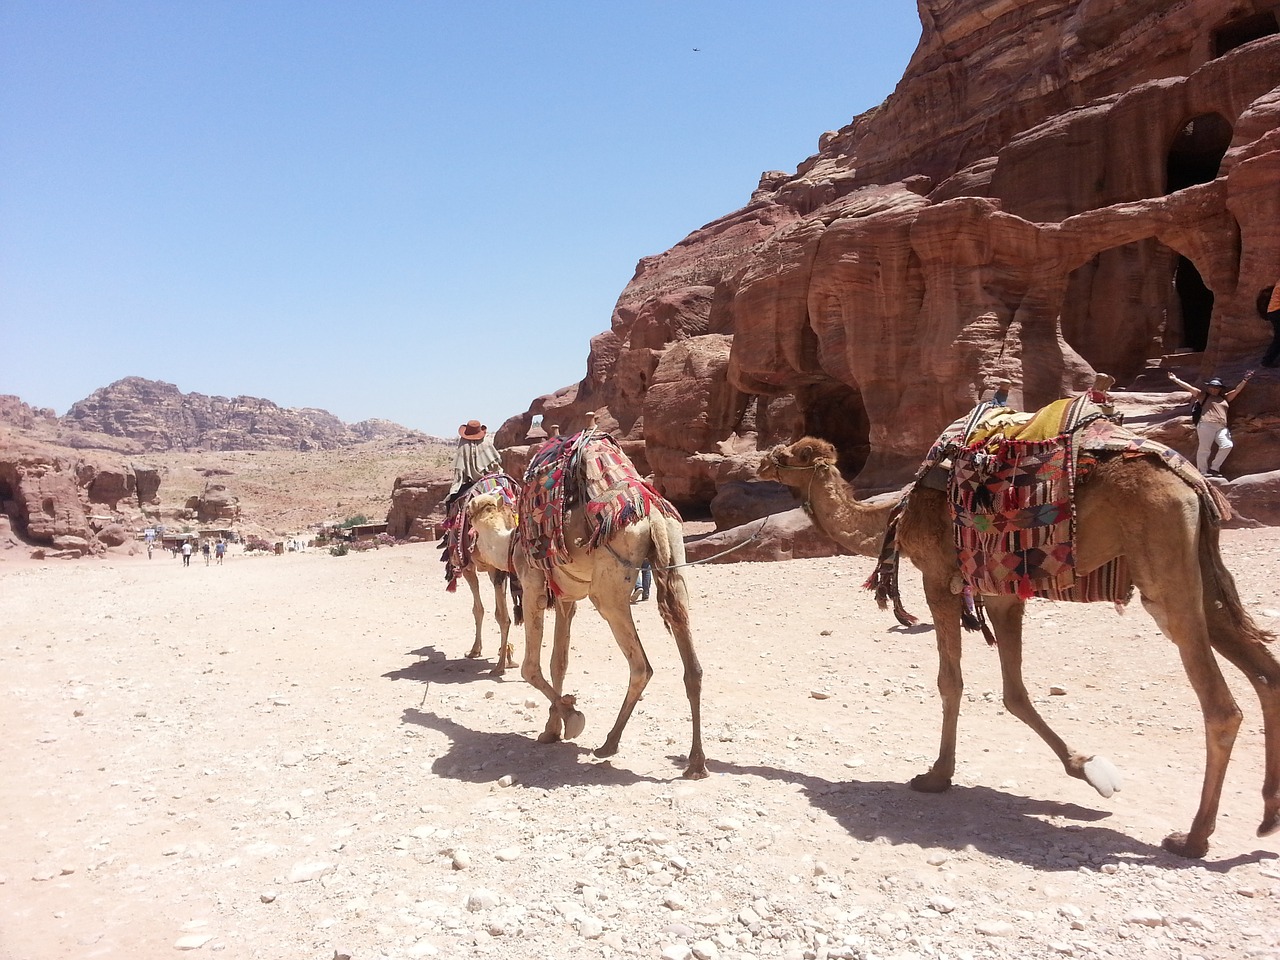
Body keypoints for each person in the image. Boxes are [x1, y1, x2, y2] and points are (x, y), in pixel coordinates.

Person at [1166, 369, 1254, 477]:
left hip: (1221, 427)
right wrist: (1175, 379)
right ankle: (1202, 471)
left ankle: (1214, 468)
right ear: (1208, 387)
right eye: (1212, 386)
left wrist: (1245, 380)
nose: (1214, 389)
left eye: (1216, 387)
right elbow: (1189, 388)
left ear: (1220, 389)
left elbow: (1236, 391)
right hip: (1206, 424)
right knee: (1204, 448)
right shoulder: (1203, 396)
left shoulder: (1224, 398)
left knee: (1227, 445)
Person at [1261, 283, 1280, 368]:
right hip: (1276, 311)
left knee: (1278, 338)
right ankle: (1266, 361)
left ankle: (1266, 361)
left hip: (1274, 311)